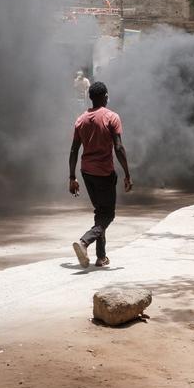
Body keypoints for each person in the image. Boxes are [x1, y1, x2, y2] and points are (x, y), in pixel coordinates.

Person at [69, 81, 132, 268]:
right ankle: (84, 242)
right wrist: (127, 174)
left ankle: (101, 257)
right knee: (108, 215)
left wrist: (72, 177)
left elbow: (73, 151)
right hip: (104, 173)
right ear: (105, 96)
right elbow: (119, 147)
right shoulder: (112, 117)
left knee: (100, 213)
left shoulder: (81, 120)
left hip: (86, 172)